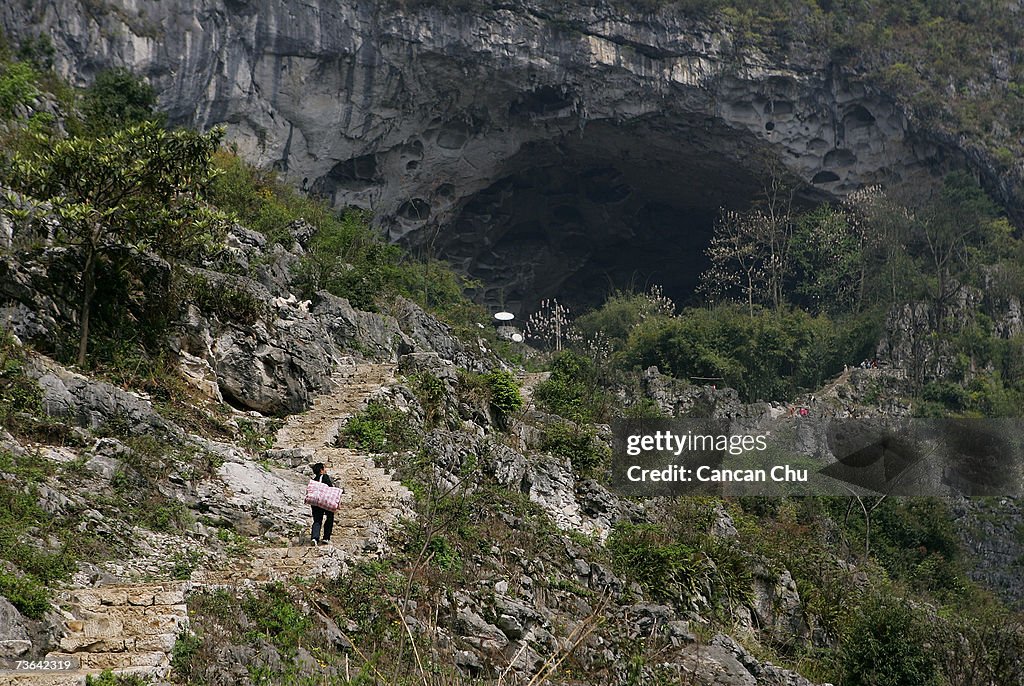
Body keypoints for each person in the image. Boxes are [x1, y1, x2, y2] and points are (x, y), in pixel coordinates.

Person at [310, 462, 335, 546]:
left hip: (315, 502)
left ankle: (314, 538)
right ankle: (326, 537)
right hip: (324, 501)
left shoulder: (313, 480)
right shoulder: (324, 477)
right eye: (324, 468)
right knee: (330, 517)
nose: (326, 470)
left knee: (317, 520)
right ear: (321, 470)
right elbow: (330, 488)